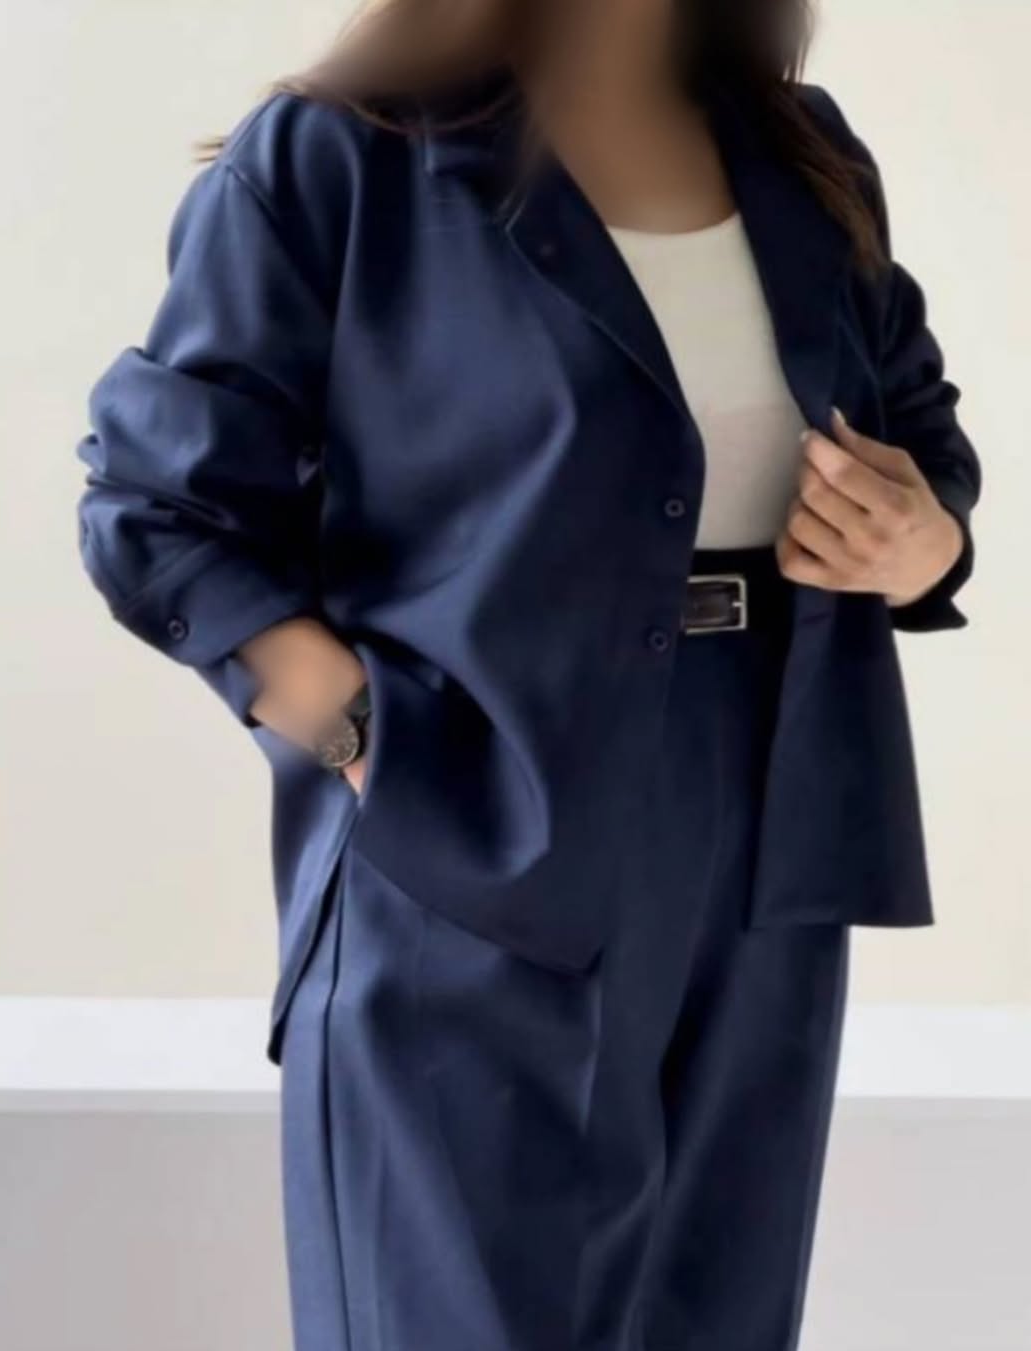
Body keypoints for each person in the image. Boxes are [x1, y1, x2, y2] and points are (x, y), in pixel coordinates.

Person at [73, 2, 982, 1347]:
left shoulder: (802, 152)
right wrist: (362, 732)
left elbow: (920, 434)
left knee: (719, 1311)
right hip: (471, 815)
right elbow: (158, 508)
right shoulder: (341, 156)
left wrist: (924, 542)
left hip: (776, 821)